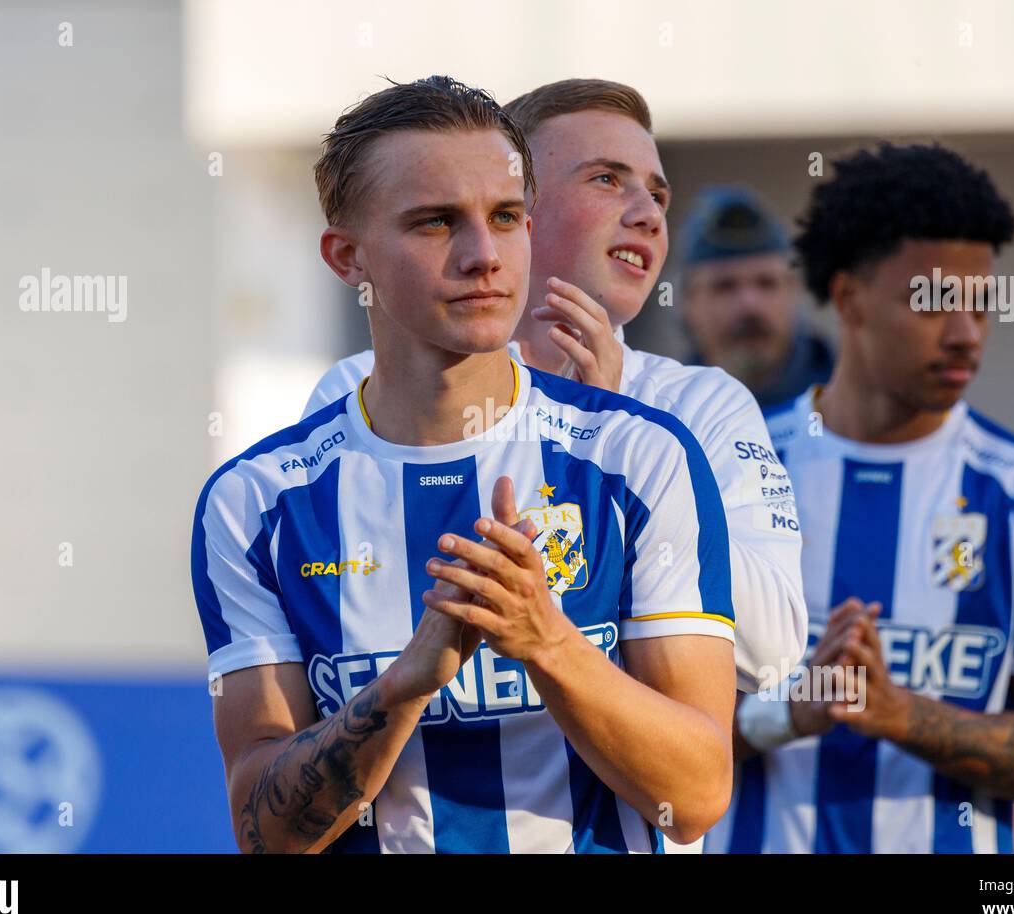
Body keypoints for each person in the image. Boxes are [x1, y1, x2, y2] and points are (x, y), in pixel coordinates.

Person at [192, 75, 737, 854]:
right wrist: (404, 683)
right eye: (436, 222)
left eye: (507, 217)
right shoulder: (256, 504)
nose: (484, 255)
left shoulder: (640, 455)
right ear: (348, 257)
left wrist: (547, 640)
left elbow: (693, 797)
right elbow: (267, 833)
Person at [306, 79, 808, 704]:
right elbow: (346, 626)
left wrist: (620, 442)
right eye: (606, 180)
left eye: (657, 193)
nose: (649, 213)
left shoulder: (701, 403)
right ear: (517, 202)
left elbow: (773, 655)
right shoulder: (356, 389)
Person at [706, 142, 1014, 854]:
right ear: (848, 297)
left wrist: (903, 715)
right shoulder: (730, 470)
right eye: (932, 302)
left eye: (981, 304)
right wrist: (791, 711)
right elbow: (655, 720)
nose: (965, 333)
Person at [677, 186, 833, 410]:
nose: (750, 305)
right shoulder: (661, 416)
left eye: (767, 283)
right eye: (725, 287)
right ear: (687, 303)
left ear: (794, 291)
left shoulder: (854, 409)